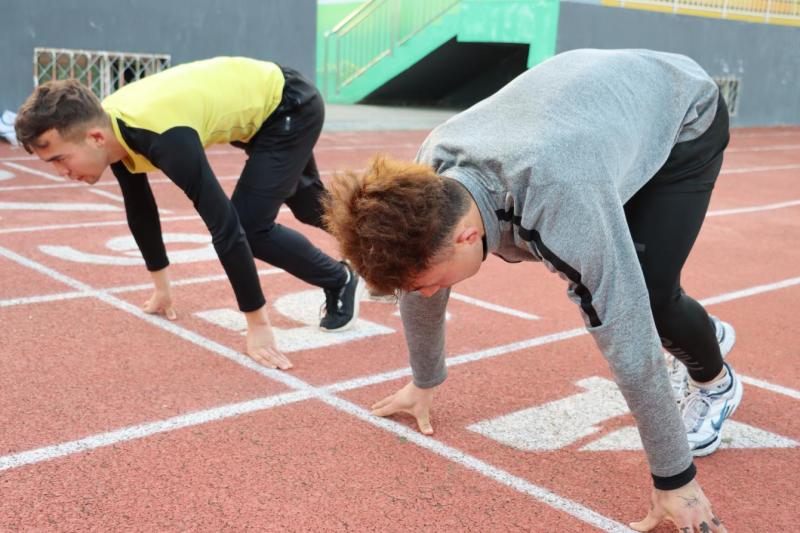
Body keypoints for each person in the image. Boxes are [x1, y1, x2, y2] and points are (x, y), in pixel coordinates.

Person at [325, 49, 741, 532]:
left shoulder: (560, 196)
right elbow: (417, 288)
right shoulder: (427, 178)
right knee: (641, 288)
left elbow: (627, 332)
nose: (428, 294)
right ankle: (699, 334)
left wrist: (675, 480)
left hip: (681, 112)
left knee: (648, 298)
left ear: (466, 236)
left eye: (431, 282)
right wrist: (424, 380)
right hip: (590, 114)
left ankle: (716, 383)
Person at [15, 56, 364, 370]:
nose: (61, 172)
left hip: (289, 106)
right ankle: (382, 253)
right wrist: (162, 287)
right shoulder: (111, 131)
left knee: (250, 225)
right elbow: (140, 208)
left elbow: (226, 227)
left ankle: (340, 279)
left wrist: (257, 325)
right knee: (310, 205)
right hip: (268, 106)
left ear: (95, 138)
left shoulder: (164, 136)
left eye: (60, 159)